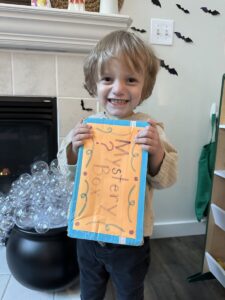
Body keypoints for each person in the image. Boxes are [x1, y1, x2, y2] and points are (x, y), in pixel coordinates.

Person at [57, 30, 178, 300]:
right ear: (94, 84)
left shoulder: (151, 129)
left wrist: (156, 153)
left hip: (130, 241)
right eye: (108, 79)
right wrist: (74, 149)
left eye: (131, 80)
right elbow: (66, 171)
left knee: (129, 291)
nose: (119, 88)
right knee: (90, 289)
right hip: (88, 234)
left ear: (144, 87)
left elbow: (167, 178)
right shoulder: (87, 127)